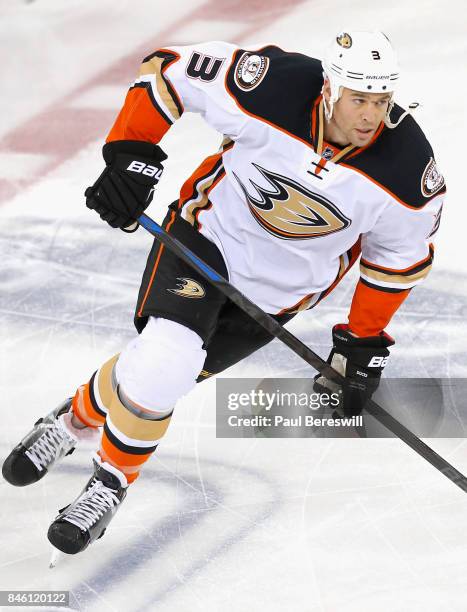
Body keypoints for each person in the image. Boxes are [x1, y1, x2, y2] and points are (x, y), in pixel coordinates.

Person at [2, 31, 445, 555]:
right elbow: (169, 72)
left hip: (280, 294)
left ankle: (71, 422)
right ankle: (110, 484)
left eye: (380, 101)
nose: (370, 115)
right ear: (329, 88)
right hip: (206, 239)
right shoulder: (274, 86)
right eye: (358, 98)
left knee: (157, 368)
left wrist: (360, 343)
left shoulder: (409, 172)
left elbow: (396, 260)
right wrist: (131, 153)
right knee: (167, 360)